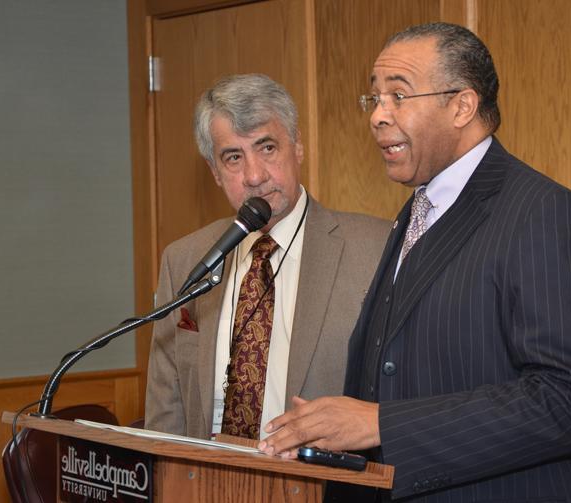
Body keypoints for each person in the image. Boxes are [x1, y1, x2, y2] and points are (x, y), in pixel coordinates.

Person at [258, 23, 571, 502]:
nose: (378, 116)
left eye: (398, 95)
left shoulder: (545, 213)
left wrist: (380, 424)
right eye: (374, 98)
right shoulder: (416, 212)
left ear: (462, 106)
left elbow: (569, 402)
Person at [145, 74, 391, 441]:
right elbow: (166, 410)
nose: (254, 175)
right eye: (233, 157)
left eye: (267, 148)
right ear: (214, 171)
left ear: (297, 147)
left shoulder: (378, 249)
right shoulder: (184, 259)